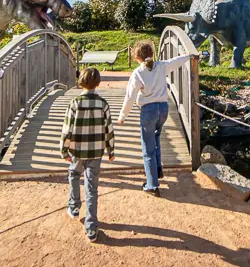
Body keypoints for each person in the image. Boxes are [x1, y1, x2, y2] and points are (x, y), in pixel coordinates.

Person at [117, 41, 195, 196]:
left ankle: (152, 185)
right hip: (163, 109)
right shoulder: (161, 66)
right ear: (152, 53)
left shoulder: (138, 73)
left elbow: (130, 96)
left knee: (148, 148)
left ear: (136, 57)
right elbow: (175, 61)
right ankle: (158, 170)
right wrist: (189, 56)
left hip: (149, 111)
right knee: (156, 138)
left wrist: (123, 116)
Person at [60, 67, 115, 242]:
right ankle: (91, 227)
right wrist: (111, 150)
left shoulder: (75, 103)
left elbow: (67, 129)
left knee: (74, 174)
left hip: (77, 150)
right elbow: (109, 129)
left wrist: (64, 149)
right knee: (92, 187)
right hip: (96, 151)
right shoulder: (103, 104)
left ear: (81, 81)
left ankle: (74, 207)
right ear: (98, 83)